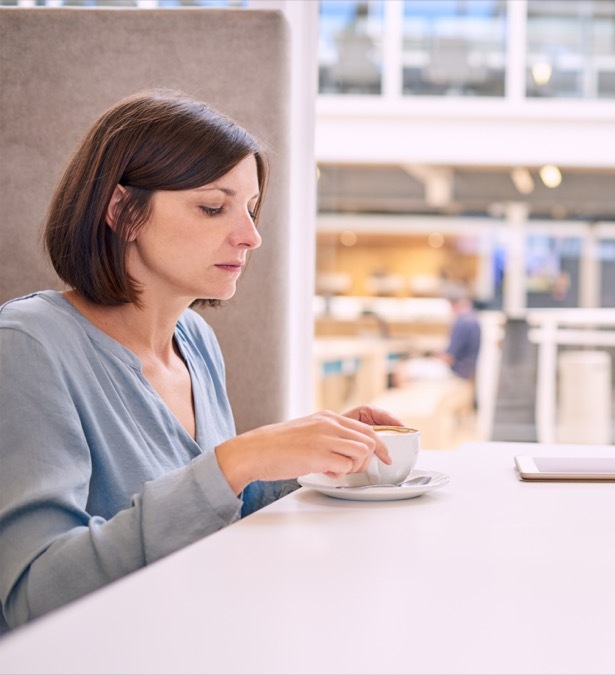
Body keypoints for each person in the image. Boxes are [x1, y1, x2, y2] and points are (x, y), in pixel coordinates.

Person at [0, 90, 404, 632]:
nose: (251, 236)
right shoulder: (28, 346)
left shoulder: (194, 339)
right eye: (214, 207)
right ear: (122, 211)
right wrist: (236, 461)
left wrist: (312, 452)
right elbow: (32, 595)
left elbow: (210, 507)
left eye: (251, 209)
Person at [436, 283, 481, 382]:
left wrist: (432, 358)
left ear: (452, 304)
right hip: (466, 372)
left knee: (404, 370)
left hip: (457, 372)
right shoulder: (473, 318)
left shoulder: (462, 322)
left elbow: (449, 358)